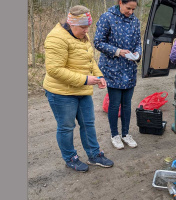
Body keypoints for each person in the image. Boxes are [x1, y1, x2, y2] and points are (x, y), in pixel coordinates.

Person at [43, 5, 114, 172]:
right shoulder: (56, 38)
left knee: (88, 123)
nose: (87, 30)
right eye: (83, 27)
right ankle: (70, 158)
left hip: (81, 90)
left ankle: (94, 154)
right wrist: (85, 80)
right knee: (67, 127)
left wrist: (99, 76)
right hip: (61, 93)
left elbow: (89, 60)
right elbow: (54, 70)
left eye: (88, 26)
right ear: (72, 24)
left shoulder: (82, 35)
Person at [94, 0, 141, 150]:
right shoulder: (107, 17)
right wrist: (117, 51)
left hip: (129, 67)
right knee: (114, 104)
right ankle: (115, 135)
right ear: (120, 2)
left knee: (127, 104)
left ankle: (126, 134)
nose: (131, 12)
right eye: (128, 8)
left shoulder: (135, 21)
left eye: (133, 9)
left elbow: (138, 42)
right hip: (112, 68)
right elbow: (98, 42)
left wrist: (138, 53)